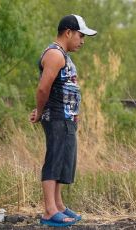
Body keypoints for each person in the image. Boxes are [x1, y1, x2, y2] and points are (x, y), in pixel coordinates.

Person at [29, 14, 97, 227]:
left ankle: (58, 205)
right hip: (57, 116)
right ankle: (49, 211)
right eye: (80, 35)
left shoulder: (62, 55)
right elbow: (43, 87)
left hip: (66, 117)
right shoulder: (54, 54)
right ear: (68, 32)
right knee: (55, 159)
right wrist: (40, 112)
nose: (82, 40)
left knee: (65, 160)